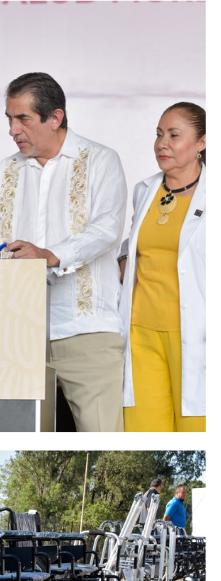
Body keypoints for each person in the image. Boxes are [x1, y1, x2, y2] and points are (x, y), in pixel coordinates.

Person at [0, 72, 129, 432]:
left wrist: (51, 255)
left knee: (103, 439)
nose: (12, 129)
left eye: (22, 118)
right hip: (14, 332)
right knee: (8, 435)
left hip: (85, 328)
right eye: (8, 118)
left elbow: (107, 229)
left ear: (55, 118)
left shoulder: (100, 161)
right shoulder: (4, 171)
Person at [118, 102, 205, 432]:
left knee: (198, 430)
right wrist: (125, 258)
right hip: (141, 333)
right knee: (144, 429)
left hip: (198, 336)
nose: (162, 143)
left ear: (202, 143)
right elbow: (136, 243)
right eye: (158, 134)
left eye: (174, 135)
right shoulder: (146, 190)